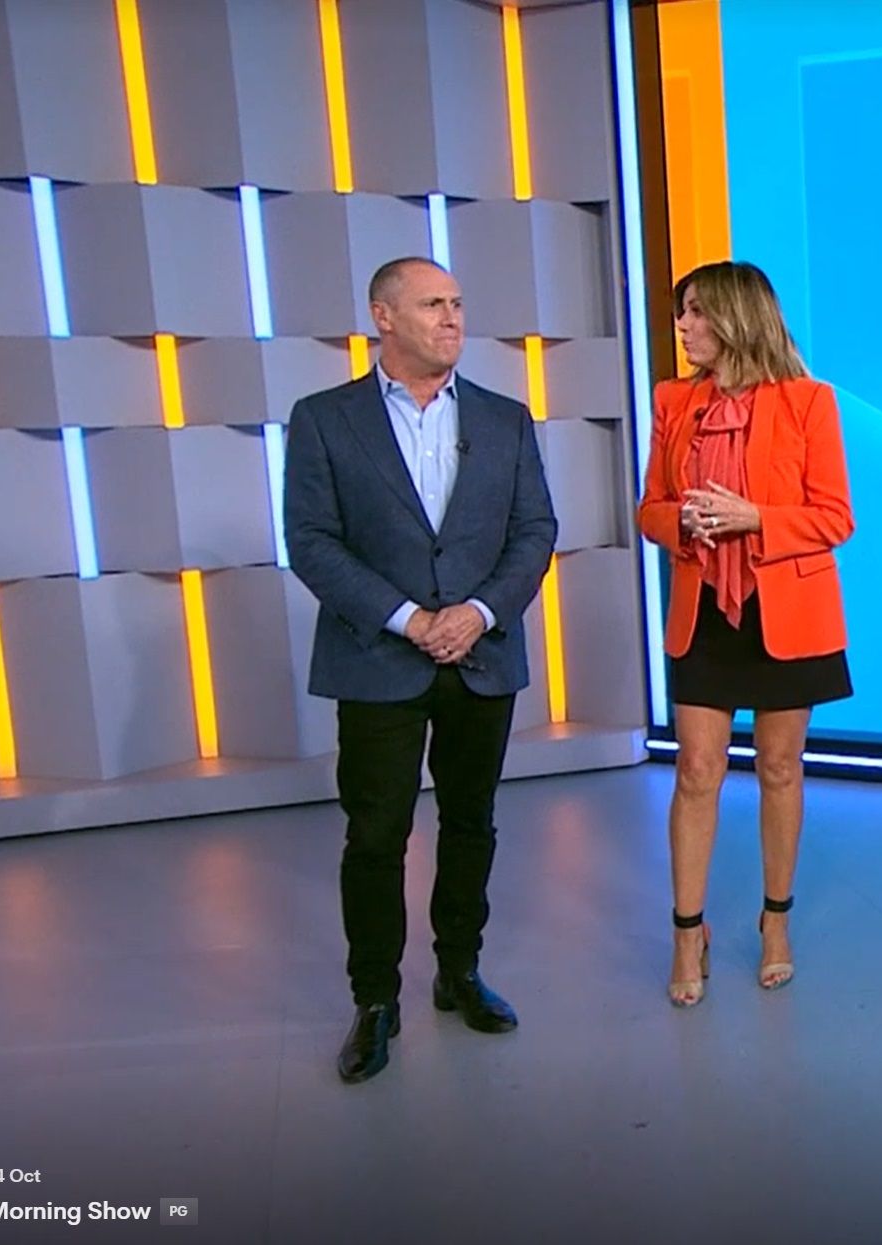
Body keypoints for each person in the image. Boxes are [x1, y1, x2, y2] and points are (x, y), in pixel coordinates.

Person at [284, 256, 558, 1083]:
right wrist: (410, 618)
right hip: (378, 658)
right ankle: (375, 1000)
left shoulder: (506, 419)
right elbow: (312, 541)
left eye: (457, 303)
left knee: (471, 822)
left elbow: (535, 530)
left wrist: (477, 612)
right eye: (433, 303)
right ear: (383, 316)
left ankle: (458, 970)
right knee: (376, 835)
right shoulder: (324, 419)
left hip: (483, 654)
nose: (452, 318)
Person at [636, 260, 854, 1008]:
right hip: (704, 607)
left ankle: (775, 921)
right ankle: (686, 932)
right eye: (682, 312)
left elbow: (835, 517)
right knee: (697, 769)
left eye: (697, 312)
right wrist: (682, 521)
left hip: (785, 610)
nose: (683, 326)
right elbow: (650, 507)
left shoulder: (808, 401)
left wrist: (753, 517)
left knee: (779, 768)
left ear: (737, 317)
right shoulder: (673, 401)